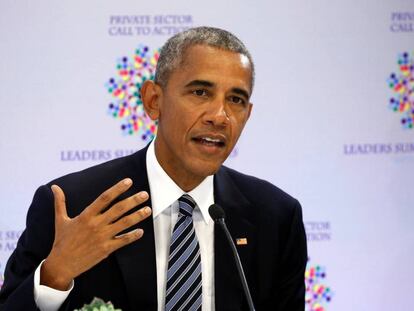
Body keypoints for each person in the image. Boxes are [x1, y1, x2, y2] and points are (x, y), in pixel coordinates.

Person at [0, 26, 307, 311]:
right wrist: (55, 274)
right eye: (201, 92)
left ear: (247, 114)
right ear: (153, 100)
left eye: (236, 99)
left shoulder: (275, 217)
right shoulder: (72, 203)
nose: (220, 115)